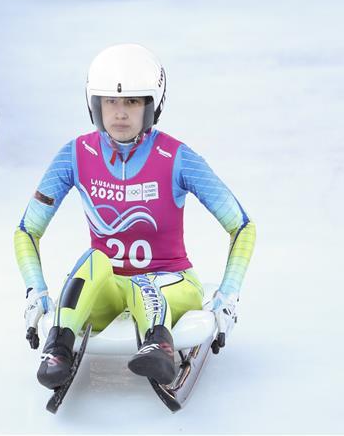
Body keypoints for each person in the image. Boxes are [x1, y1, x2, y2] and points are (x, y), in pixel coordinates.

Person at [15, 43, 256, 389]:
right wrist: (35, 292)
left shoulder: (177, 157)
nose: (120, 113)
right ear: (94, 105)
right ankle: (58, 347)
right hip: (110, 289)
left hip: (172, 284)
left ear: (152, 105)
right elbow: (27, 231)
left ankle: (158, 342)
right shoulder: (74, 155)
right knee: (95, 260)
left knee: (144, 283)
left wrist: (227, 296)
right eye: (110, 102)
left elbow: (242, 226)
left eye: (132, 102)